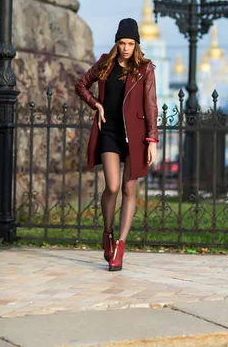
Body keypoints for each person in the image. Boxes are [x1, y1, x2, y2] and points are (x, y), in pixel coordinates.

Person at [75, 18, 159, 271]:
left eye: (130, 44)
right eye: (122, 43)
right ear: (117, 43)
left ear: (136, 45)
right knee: (111, 187)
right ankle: (108, 234)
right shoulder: (105, 63)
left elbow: (151, 104)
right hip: (109, 133)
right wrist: (96, 104)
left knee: (129, 191)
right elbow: (81, 85)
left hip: (135, 135)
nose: (126, 48)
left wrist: (152, 140)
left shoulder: (145, 68)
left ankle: (120, 246)